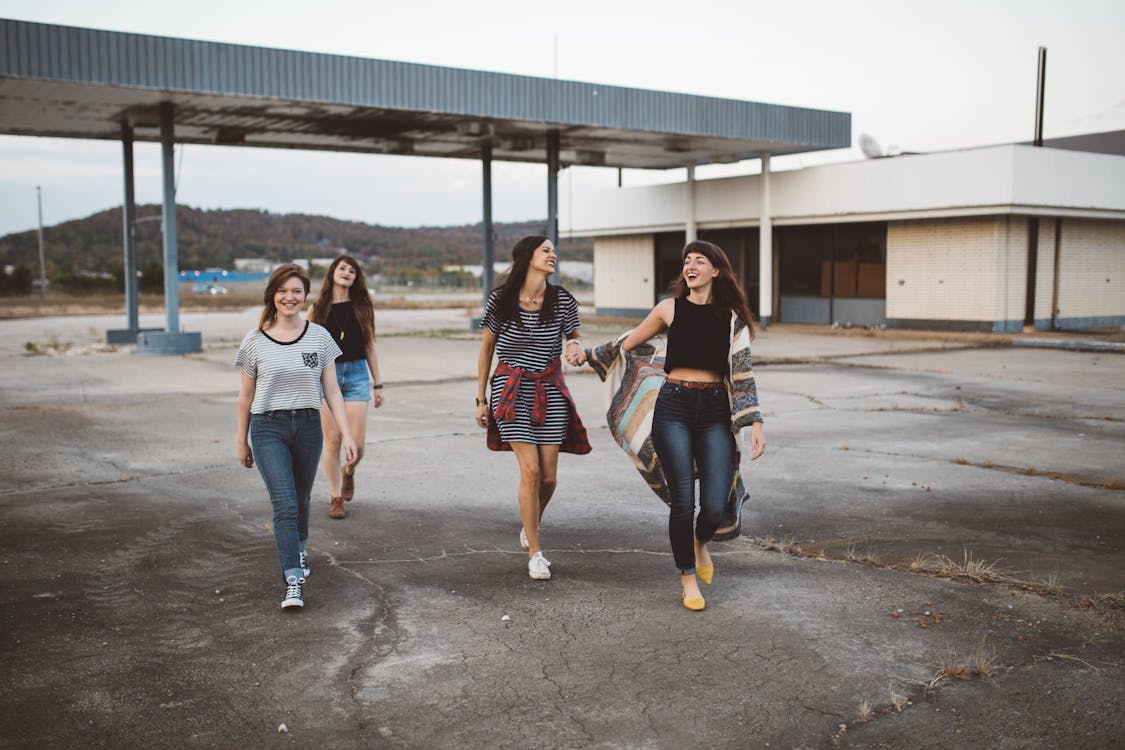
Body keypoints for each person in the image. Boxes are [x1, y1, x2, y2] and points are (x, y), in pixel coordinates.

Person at [620, 240, 766, 611]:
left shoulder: (732, 318)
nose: (691, 265)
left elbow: (743, 375)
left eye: (700, 260)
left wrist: (755, 423)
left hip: (716, 410)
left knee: (714, 505)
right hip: (674, 408)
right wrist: (591, 353)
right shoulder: (669, 309)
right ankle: (687, 578)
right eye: (687, 260)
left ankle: (702, 542)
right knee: (683, 501)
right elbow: (629, 343)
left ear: (716, 271)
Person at [235, 263, 358, 610]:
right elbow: (245, 396)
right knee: (285, 504)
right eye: (283, 291)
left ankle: (300, 549)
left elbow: (332, 391)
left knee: (301, 499)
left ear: (305, 296)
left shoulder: (319, 336)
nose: (289, 297)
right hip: (267, 428)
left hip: (307, 426)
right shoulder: (254, 340)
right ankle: (292, 579)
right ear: (272, 295)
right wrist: (241, 439)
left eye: (296, 291)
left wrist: (347, 435)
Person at [476, 235, 591, 581]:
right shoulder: (500, 300)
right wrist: (480, 399)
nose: (553, 255)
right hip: (509, 391)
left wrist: (574, 347)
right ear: (527, 257)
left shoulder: (562, 300)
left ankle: (531, 520)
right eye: (546, 250)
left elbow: (575, 336)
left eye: (554, 250)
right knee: (530, 472)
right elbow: (485, 351)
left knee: (549, 476)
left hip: (550, 389)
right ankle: (535, 551)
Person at [308, 255, 384, 520]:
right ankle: (335, 496)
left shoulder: (363, 307)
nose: (347, 272)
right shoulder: (317, 309)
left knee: (358, 444)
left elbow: (370, 347)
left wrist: (378, 384)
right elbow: (309, 348)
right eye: (342, 268)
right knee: (333, 440)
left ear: (356, 278)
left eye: (352, 270)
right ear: (332, 273)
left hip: (357, 376)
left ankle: (348, 472)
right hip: (326, 377)